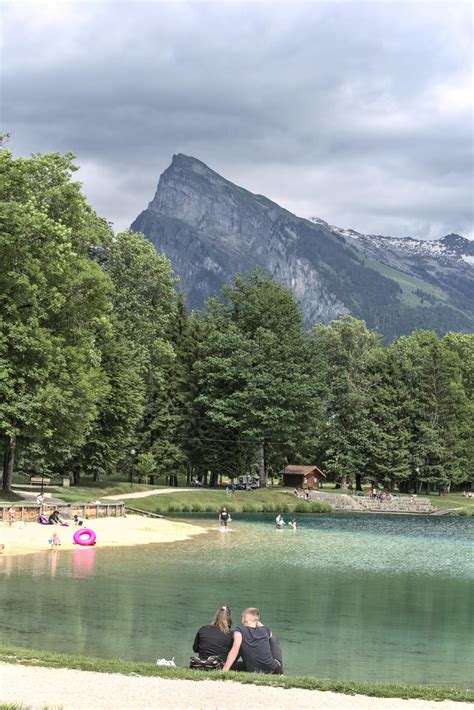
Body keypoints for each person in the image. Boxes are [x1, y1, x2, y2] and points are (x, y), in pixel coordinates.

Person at [223, 607, 282, 674]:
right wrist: (255, 620)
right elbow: (271, 634)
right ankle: (280, 672)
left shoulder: (240, 630)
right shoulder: (265, 630)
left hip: (253, 669)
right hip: (273, 669)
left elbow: (234, 651)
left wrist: (224, 671)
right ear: (256, 620)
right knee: (273, 639)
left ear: (245, 619)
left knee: (273, 639)